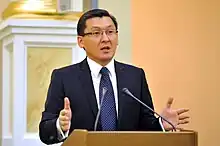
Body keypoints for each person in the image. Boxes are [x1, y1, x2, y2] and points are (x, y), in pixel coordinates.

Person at [39, 9, 189, 145]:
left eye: (110, 32)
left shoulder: (135, 76)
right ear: (81, 41)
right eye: (96, 33)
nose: (105, 39)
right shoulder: (64, 77)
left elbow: (145, 126)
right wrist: (60, 125)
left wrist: (161, 124)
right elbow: (45, 133)